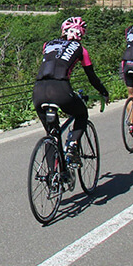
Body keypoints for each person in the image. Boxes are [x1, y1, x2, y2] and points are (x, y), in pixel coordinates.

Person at [32, 17, 109, 165]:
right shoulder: (81, 50)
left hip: (38, 90)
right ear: (81, 35)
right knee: (81, 113)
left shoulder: (47, 45)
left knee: (52, 134)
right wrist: (103, 92)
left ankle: (53, 178)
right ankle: (73, 144)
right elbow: (91, 77)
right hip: (60, 89)